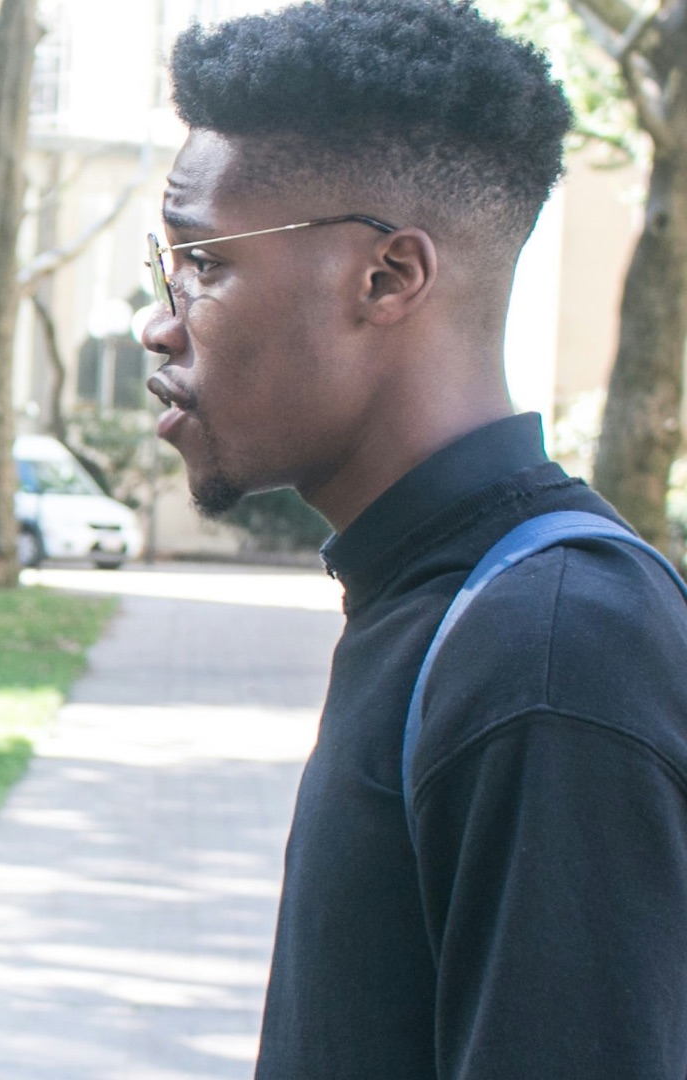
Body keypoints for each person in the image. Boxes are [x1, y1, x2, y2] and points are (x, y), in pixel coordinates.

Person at [140, 1, 687, 1077]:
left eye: (205, 263)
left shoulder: (550, 647)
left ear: (388, 278)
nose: (161, 319)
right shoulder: (430, 597)